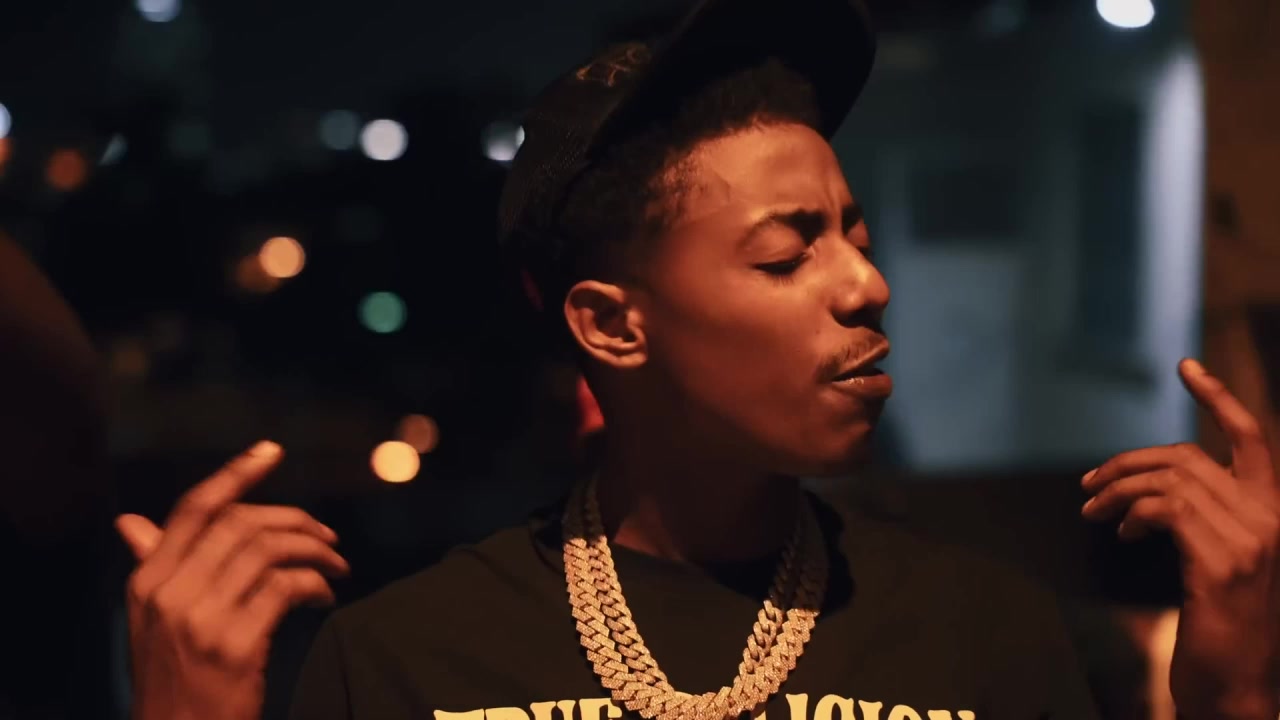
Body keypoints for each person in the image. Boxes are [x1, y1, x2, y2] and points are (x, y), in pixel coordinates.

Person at [117, 0, 1280, 718]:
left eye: (855, 233)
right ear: (611, 326)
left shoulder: (990, 637)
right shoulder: (403, 662)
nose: (864, 284)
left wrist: (1232, 692)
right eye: (786, 252)